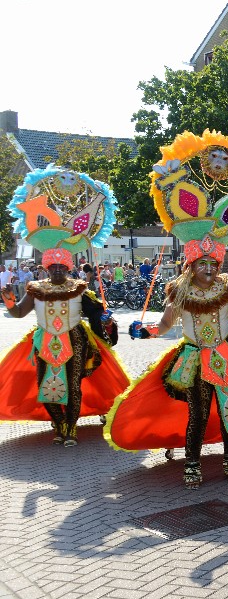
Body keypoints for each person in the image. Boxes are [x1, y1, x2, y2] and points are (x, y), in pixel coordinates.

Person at [105, 129, 228, 488]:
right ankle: (192, 463)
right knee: (197, 412)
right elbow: (165, 324)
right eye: (202, 264)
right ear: (191, 266)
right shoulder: (178, 290)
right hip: (193, 359)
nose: (208, 269)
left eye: (213, 263)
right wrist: (145, 331)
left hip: (225, 357)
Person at [0, 166, 129, 446]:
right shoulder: (36, 290)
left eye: (62, 266)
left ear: (68, 267)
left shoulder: (79, 289)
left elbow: (97, 313)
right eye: (53, 267)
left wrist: (106, 321)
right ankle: (58, 425)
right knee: (46, 388)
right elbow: (19, 313)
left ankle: (70, 429)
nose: (58, 271)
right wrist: (9, 300)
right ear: (46, 268)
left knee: (72, 385)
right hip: (43, 341)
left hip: (75, 340)